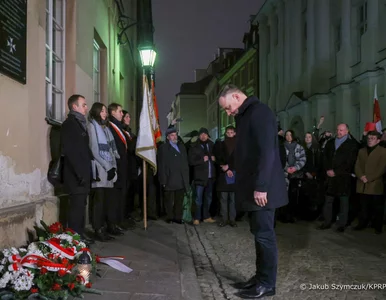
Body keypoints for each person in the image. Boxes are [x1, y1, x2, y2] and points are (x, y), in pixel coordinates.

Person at [218, 84, 288, 299]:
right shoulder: (247, 115)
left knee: (265, 237)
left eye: (228, 107)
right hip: (252, 187)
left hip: (262, 190)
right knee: (258, 236)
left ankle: (267, 284)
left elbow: (267, 152)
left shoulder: (260, 112)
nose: (229, 113)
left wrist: (261, 187)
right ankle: (259, 278)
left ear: (237, 96)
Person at [61, 94, 94, 244]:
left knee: (81, 206)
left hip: (83, 174)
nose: (86, 107)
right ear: (75, 107)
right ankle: (74, 238)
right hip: (75, 175)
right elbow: (71, 152)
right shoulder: (69, 124)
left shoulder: (81, 123)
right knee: (76, 208)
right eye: (84, 104)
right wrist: (80, 173)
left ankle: (80, 234)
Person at [87, 102, 119, 241]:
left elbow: (111, 150)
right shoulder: (92, 126)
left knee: (107, 202)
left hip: (109, 170)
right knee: (98, 203)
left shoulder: (105, 129)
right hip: (100, 170)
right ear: (96, 112)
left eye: (106, 111)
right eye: (103, 111)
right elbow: (94, 150)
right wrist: (108, 167)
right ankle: (97, 229)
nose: (105, 113)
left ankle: (106, 227)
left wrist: (113, 167)